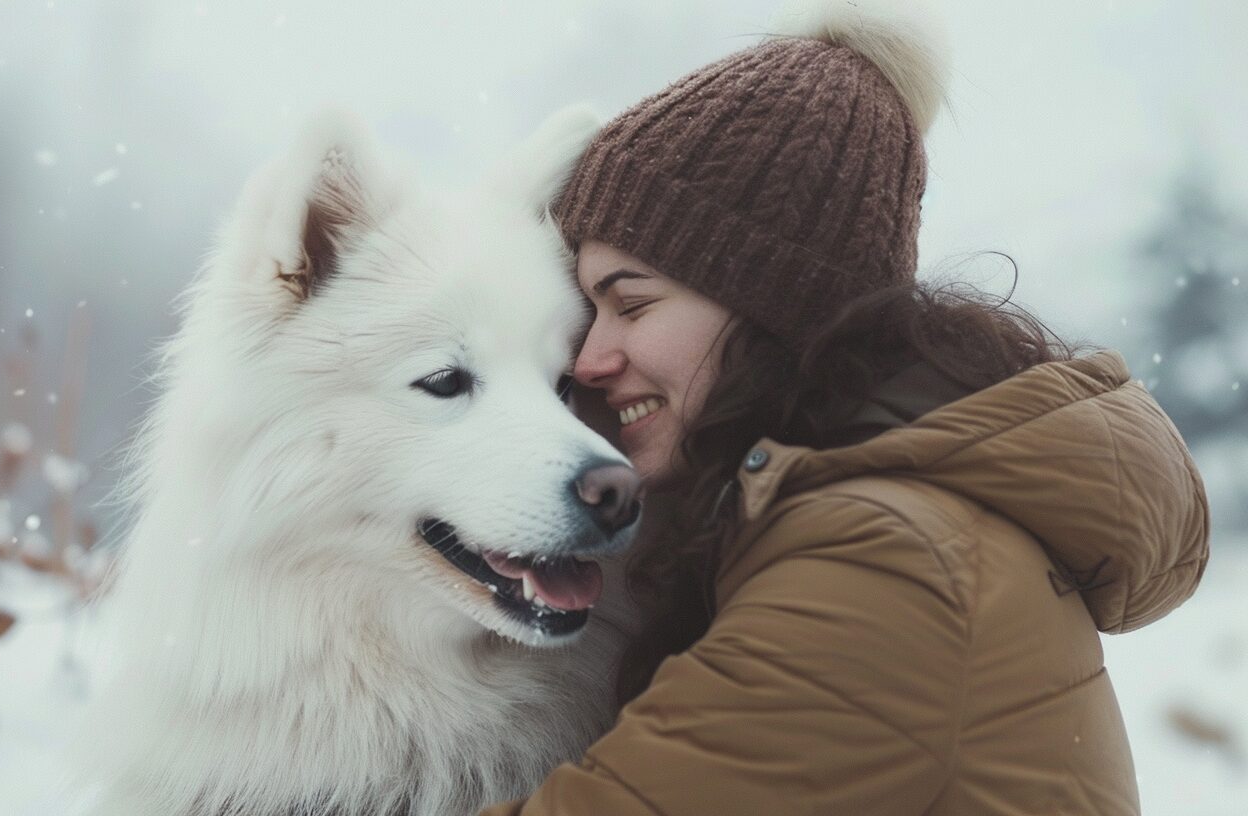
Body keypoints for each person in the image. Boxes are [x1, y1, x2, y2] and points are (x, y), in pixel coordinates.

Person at [481, 2, 1210, 814]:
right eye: (590, 310)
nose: (590, 358)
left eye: (633, 304)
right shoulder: (861, 525)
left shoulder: (882, 560)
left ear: (769, 303)